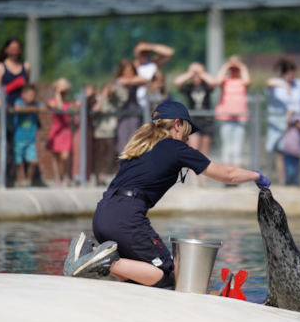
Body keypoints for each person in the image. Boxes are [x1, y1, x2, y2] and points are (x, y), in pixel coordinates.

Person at [63, 101, 271, 286]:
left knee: (135, 275)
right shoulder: (176, 148)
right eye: (188, 130)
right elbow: (228, 175)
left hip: (103, 214)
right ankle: (100, 258)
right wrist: (256, 176)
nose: (188, 137)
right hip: (126, 218)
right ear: (178, 125)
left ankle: (93, 255)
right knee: (166, 275)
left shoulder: (139, 146)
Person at [266, 58, 300, 186]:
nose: (292, 76)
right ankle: (283, 182)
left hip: (295, 124)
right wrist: (284, 85)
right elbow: (268, 82)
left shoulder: (299, 83)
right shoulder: (278, 83)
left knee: (294, 152)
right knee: (280, 152)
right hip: (279, 124)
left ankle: (294, 181)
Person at [0, 37, 31, 188]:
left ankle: (23, 179)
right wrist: (4, 106)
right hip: (7, 112)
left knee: (24, 144)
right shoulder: (0, 67)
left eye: (17, 48)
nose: (15, 51)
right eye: (12, 48)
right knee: (8, 145)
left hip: (22, 113)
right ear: (6, 49)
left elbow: (28, 89)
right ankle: (8, 179)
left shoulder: (25, 66)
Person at [174, 62, 216, 187]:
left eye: (199, 74)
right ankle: (194, 181)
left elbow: (214, 82)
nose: (196, 76)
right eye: (194, 74)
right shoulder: (189, 87)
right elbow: (177, 81)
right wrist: (191, 72)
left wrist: (201, 73)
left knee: (204, 152)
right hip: (193, 120)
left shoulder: (207, 86)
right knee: (193, 151)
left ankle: (204, 179)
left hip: (207, 121)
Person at [214, 56, 251, 175]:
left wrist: (241, 65)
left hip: (240, 118)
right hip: (225, 118)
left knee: (237, 148)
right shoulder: (225, 80)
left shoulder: (242, 82)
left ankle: (237, 175)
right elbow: (217, 81)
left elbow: (248, 81)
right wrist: (226, 65)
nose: (234, 70)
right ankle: (227, 176)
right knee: (227, 148)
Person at [92, 83, 126, 186]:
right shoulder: (98, 98)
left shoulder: (115, 101)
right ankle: (98, 177)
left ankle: (103, 176)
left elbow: (124, 97)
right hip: (99, 133)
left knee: (109, 157)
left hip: (111, 133)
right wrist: (103, 95)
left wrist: (115, 90)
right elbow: (96, 109)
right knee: (99, 157)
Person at [115, 59, 147, 156]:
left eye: (131, 71)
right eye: (127, 71)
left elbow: (145, 80)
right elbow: (120, 82)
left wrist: (131, 80)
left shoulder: (134, 82)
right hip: (123, 116)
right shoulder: (118, 81)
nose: (130, 73)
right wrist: (132, 80)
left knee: (135, 140)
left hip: (134, 115)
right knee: (123, 142)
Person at [47, 78, 74, 188]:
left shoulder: (70, 103)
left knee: (65, 157)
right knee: (56, 157)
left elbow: (71, 118)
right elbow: (58, 107)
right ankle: (57, 180)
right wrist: (57, 94)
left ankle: (66, 176)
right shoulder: (52, 102)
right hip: (56, 131)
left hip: (66, 131)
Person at [14, 85, 43, 187]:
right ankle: (18, 180)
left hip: (31, 140)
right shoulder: (19, 102)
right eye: (29, 95)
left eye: (33, 96)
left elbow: (43, 108)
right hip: (19, 139)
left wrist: (32, 108)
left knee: (33, 161)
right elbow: (17, 109)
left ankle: (28, 180)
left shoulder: (36, 104)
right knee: (18, 162)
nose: (31, 98)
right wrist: (31, 109)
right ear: (23, 95)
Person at [133, 40, 175, 110]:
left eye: (146, 52)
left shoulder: (153, 63)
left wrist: (149, 46)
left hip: (154, 104)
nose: (144, 54)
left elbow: (170, 53)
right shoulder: (132, 67)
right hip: (138, 105)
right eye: (142, 52)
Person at [282, 112, 300, 186]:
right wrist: (290, 113)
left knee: (296, 174)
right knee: (290, 173)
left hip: (297, 156)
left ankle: (295, 186)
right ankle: (287, 185)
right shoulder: (290, 128)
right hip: (289, 155)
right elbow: (287, 120)